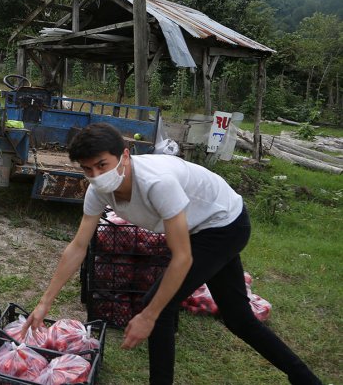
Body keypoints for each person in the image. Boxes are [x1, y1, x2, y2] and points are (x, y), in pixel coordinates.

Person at [22, 123, 321, 384]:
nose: (97, 175)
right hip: (201, 227)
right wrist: (45, 302)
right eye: (87, 170)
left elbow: (183, 257)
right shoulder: (98, 190)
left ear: (125, 154)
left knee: (159, 304)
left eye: (102, 165)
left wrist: (148, 316)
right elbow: (78, 246)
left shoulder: (156, 182)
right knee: (239, 319)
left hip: (224, 224)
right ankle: (305, 379)